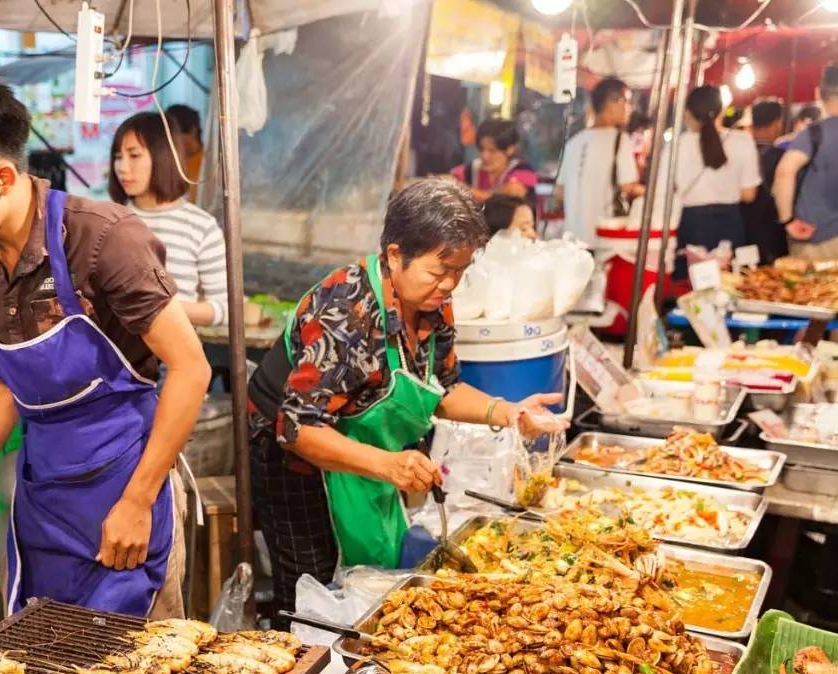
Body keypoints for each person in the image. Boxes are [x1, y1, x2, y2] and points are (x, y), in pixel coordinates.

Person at [0, 66, 210, 619]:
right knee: (40, 664)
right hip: (42, 499)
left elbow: (191, 370)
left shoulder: (105, 240)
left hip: (127, 486)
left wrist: (137, 501)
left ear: (3, 177)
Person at [247, 179, 568, 616]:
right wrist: (388, 464)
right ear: (395, 255)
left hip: (364, 449)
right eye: (440, 271)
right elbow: (297, 428)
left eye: (460, 270)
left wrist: (508, 412)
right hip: (296, 460)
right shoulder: (345, 312)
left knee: (366, 578)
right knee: (313, 588)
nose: (450, 284)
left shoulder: (434, 301)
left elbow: (443, 387)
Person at [109, 111, 229, 327]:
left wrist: (159, 307)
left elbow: (224, 308)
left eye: (134, 155)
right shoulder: (110, 221)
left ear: (163, 155)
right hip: (114, 356)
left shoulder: (201, 226)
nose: (122, 168)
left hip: (174, 357)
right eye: (118, 157)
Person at [668, 85, 760, 272]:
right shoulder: (743, 141)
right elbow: (749, 195)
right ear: (722, 110)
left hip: (691, 222)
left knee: (689, 285)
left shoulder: (676, 146)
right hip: (730, 222)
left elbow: (665, 191)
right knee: (728, 283)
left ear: (687, 112)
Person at [555, 78, 644, 246]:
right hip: (604, 238)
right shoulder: (620, 140)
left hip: (571, 240)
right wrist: (652, 195)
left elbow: (559, 193)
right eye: (626, 101)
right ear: (611, 103)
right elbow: (628, 187)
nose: (629, 108)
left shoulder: (574, 142)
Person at [773, 65, 838, 260]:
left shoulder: (814, 134)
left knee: (814, 290)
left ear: (819, 93)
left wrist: (787, 220)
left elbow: (784, 172)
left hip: (816, 239)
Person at [450, 119, 538, 204]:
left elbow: (514, 191)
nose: (485, 156)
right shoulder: (471, 170)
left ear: (510, 149)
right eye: (481, 149)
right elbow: (446, 180)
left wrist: (468, 192)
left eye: (492, 151)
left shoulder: (525, 170)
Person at [744, 98, 789, 264]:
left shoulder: (738, 152)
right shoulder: (782, 158)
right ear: (777, 123)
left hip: (739, 229)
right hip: (772, 235)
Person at [164, 104, 203, 202]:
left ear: (193, 131)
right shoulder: (168, 163)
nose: (171, 141)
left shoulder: (209, 164)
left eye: (175, 136)